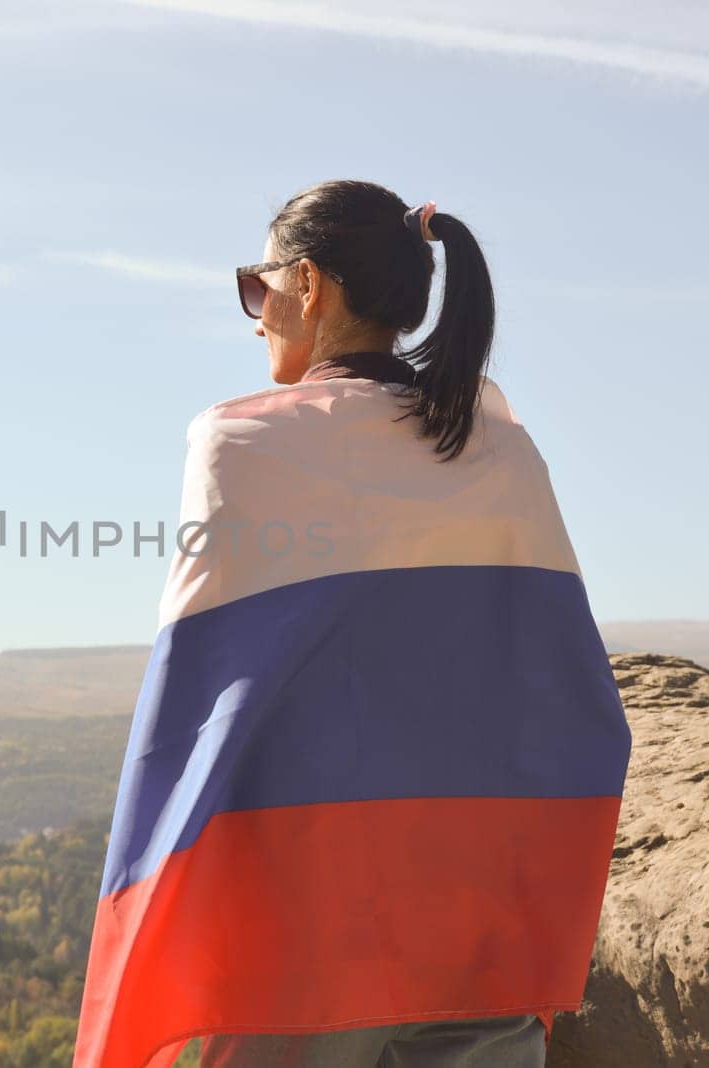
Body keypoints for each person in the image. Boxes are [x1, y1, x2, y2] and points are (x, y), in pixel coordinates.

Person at [72, 180, 631, 1068]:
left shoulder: (239, 444)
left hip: (304, 932)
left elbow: (196, 707)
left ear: (310, 284)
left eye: (259, 290)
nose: (256, 317)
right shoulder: (497, 444)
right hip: (479, 917)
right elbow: (558, 678)